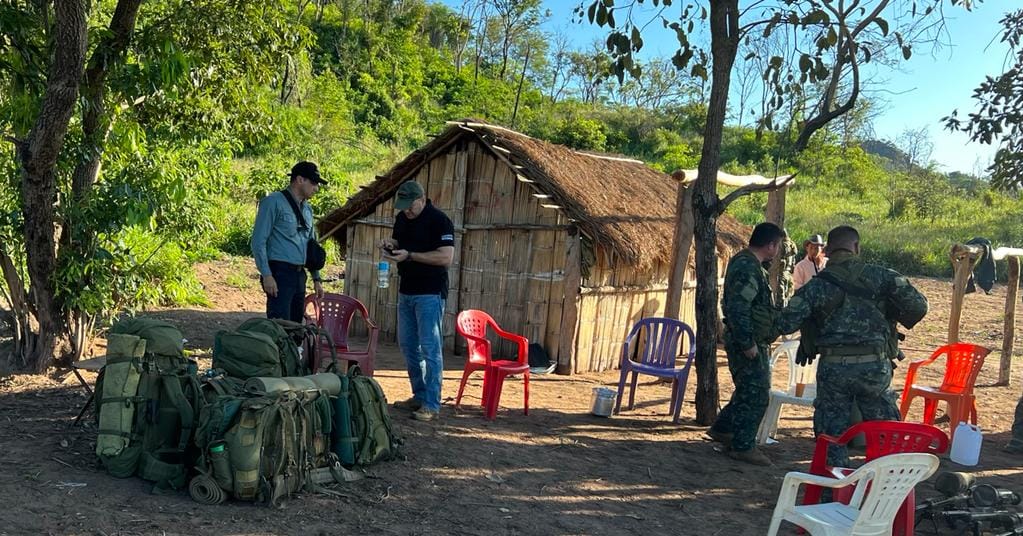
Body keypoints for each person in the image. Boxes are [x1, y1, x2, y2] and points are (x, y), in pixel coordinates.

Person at [775, 225, 928, 467]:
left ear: (828, 250)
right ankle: (885, 490)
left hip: (834, 368)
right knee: (885, 432)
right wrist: (890, 313)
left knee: (831, 435)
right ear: (856, 247)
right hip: (875, 368)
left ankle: (832, 490)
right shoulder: (884, 276)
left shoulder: (815, 286)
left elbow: (785, 323)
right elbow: (919, 307)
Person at [708, 222, 785, 466]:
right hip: (747, 341)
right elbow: (738, 307)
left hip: (750, 338)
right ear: (771, 245)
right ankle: (743, 446)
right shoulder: (747, 267)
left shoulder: (752, 265)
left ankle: (723, 429)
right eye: (778, 245)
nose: (778, 250)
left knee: (747, 389)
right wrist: (747, 342)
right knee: (758, 393)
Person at [377, 181, 454, 422]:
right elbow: (399, 241)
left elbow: (446, 257)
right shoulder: (402, 219)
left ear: (422, 199)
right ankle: (419, 395)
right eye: (403, 208)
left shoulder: (439, 220)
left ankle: (432, 403)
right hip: (406, 290)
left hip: (430, 292)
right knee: (409, 346)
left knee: (430, 348)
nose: (407, 212)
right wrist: (392, 245)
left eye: (410, 207)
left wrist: (410, 255)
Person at [251, 161, 326, 322]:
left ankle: (295, 347)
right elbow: (258, 241)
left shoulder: (308, 209)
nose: (316, 188)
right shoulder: (273, 202)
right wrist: (267, 275)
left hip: (300, 274)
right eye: (313, 182)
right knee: (280, 325)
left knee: (295, 325)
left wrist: (316, 278)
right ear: (300, 180)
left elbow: (311, 245)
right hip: (279, 272)